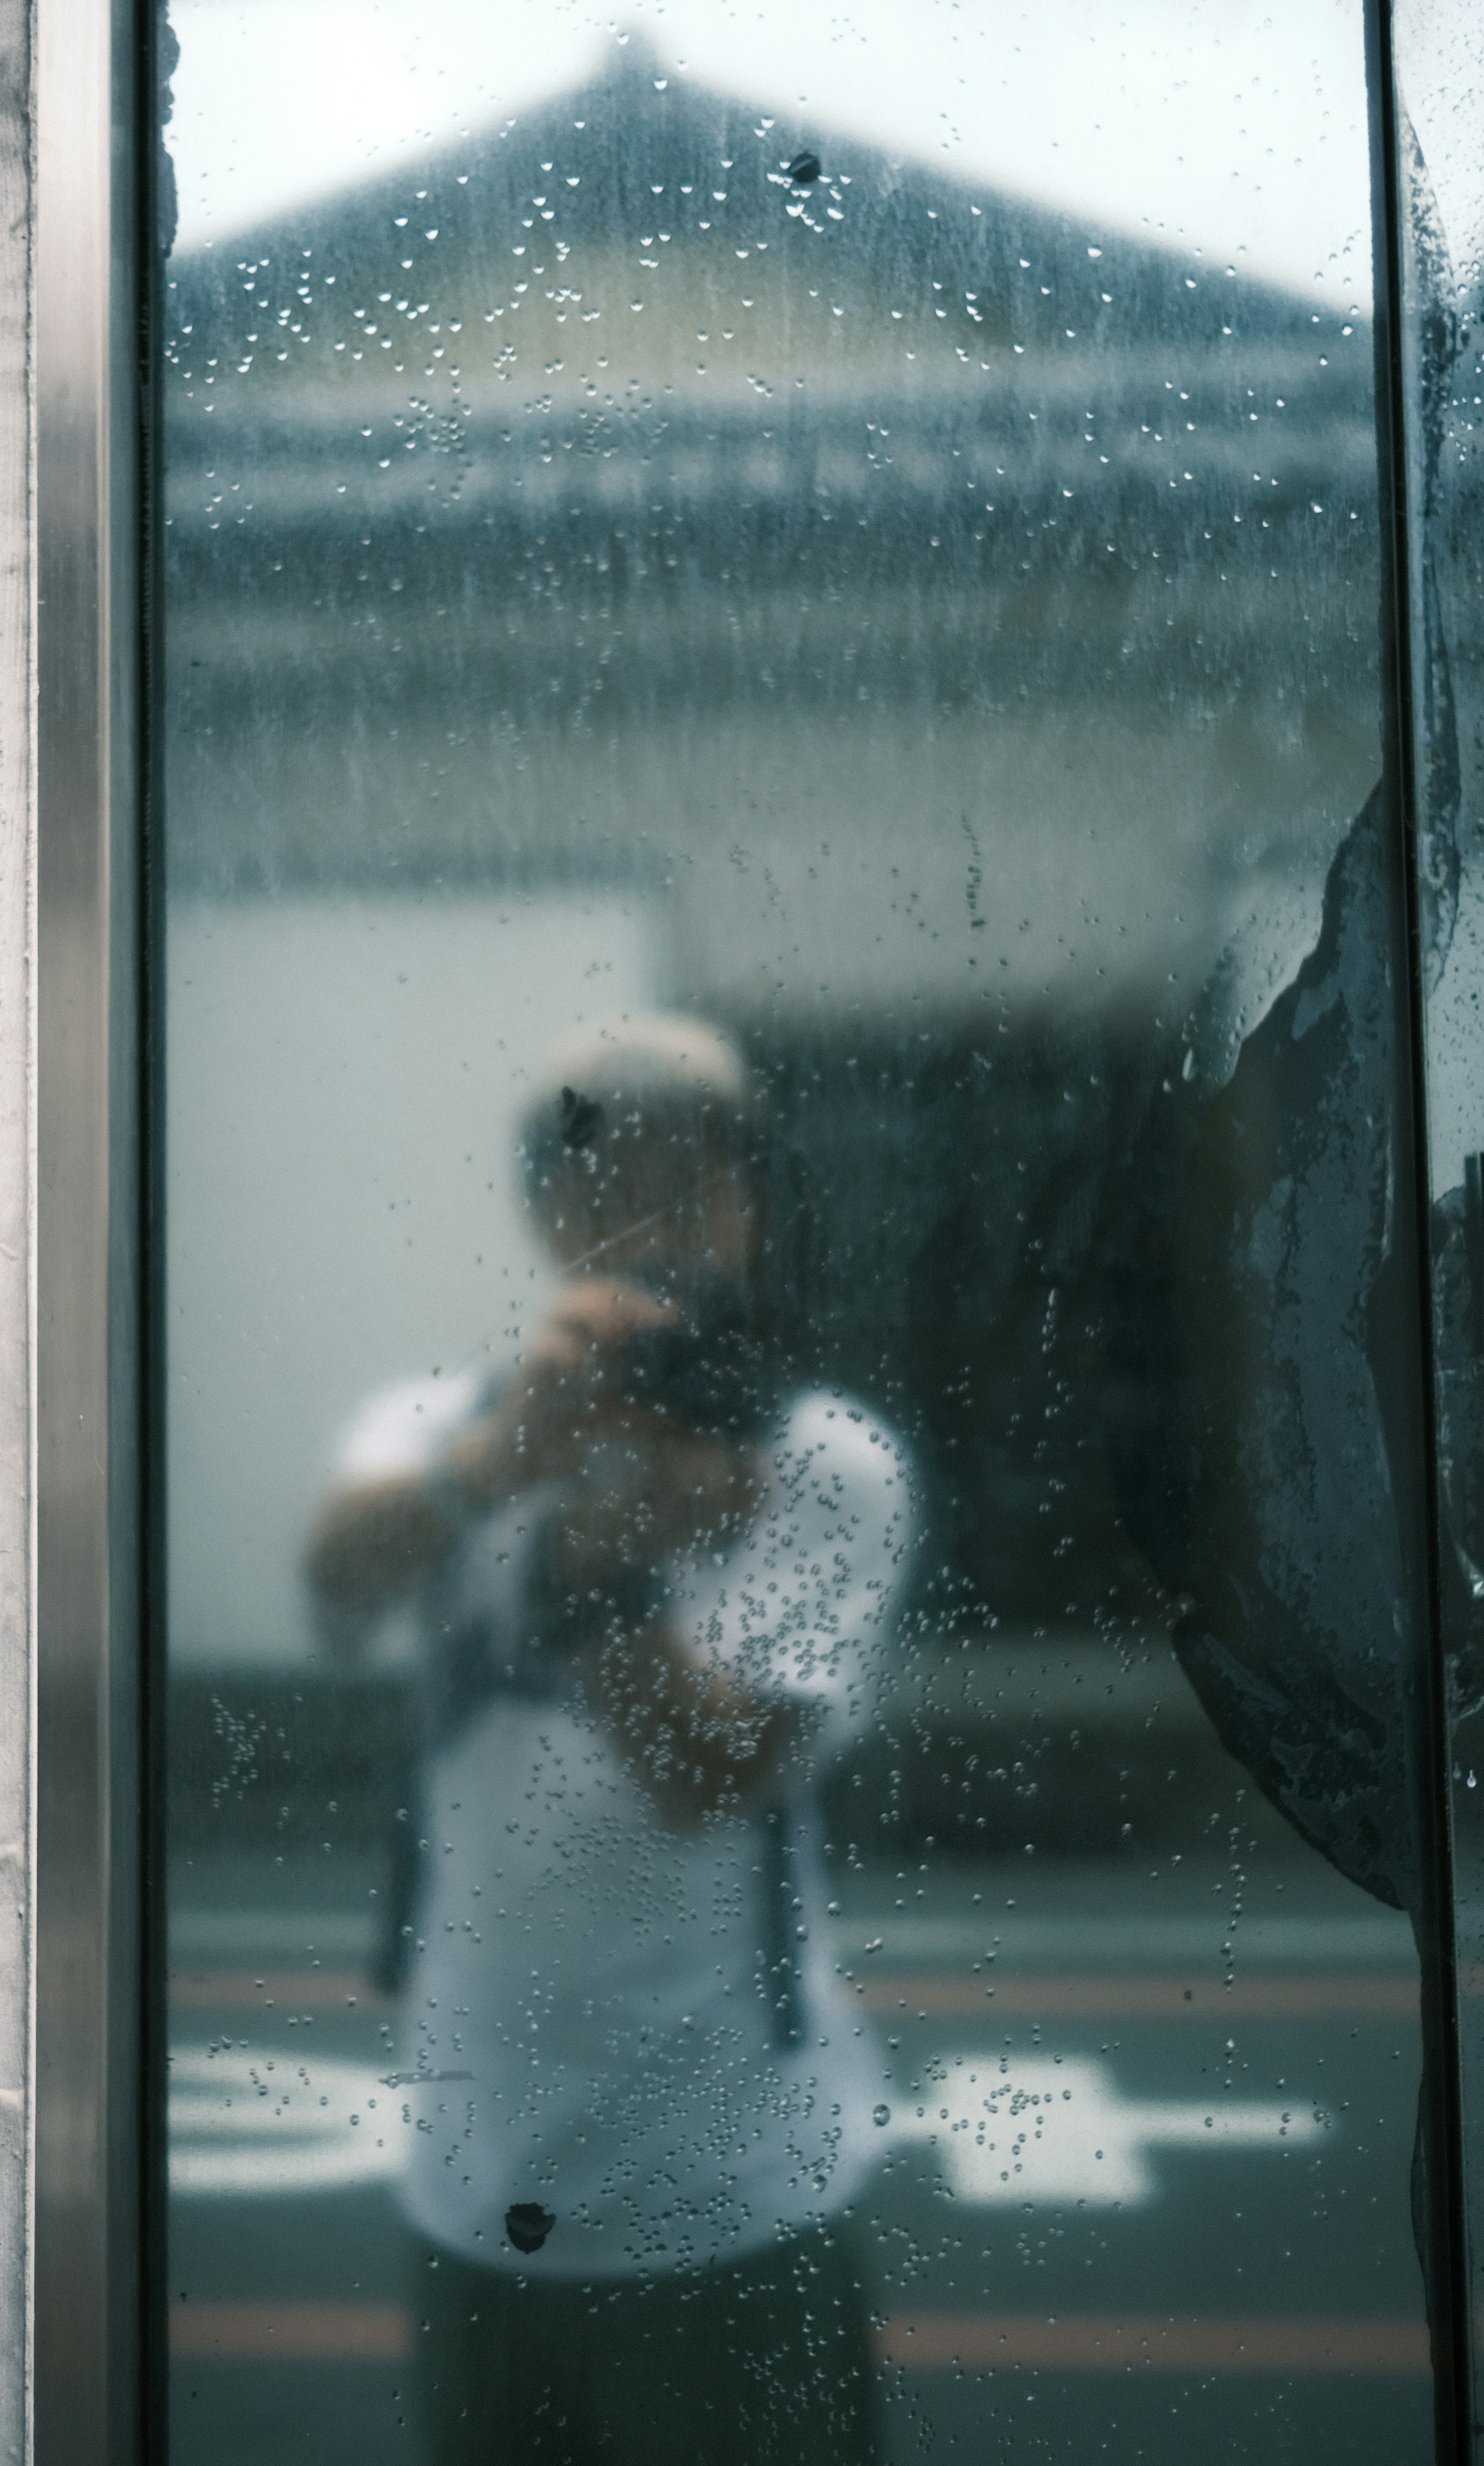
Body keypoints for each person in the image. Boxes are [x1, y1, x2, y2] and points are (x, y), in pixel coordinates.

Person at [305, 1015, 915, 2466]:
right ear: (543, 1212)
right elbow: (334, 1583)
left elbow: (710, 1776)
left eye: (690, 1181)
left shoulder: (822, 1463)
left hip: (738, 2186)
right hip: (473, 2179)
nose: (645, 1218)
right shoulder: (445, 1427)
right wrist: (505, 1462)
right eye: (601, 1178)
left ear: (752, 1209)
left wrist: (607, 1565)